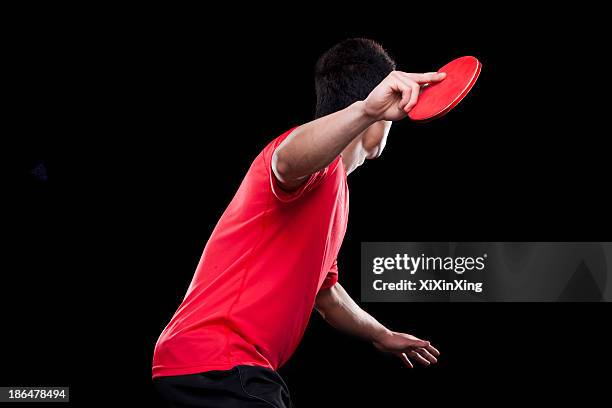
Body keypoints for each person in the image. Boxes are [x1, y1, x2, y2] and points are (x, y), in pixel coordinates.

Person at [153, 38, 444, 407]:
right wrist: (368, 110)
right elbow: (286, 163)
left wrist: (381, 334)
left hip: (212, 369)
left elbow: (326, 293)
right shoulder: (315, 165)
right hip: (220, 366)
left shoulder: (337, 193)